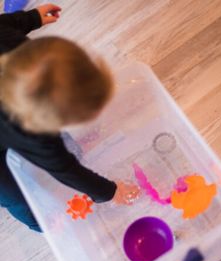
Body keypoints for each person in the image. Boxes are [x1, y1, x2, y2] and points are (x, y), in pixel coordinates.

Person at [0, 4, 140, 232]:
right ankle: (40, 222)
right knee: (16, 197)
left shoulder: (8, 41)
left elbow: (5, 24)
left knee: (62, 151)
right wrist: (109, 191)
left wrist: (32, 18)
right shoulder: (33, 136)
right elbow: (65, 169)